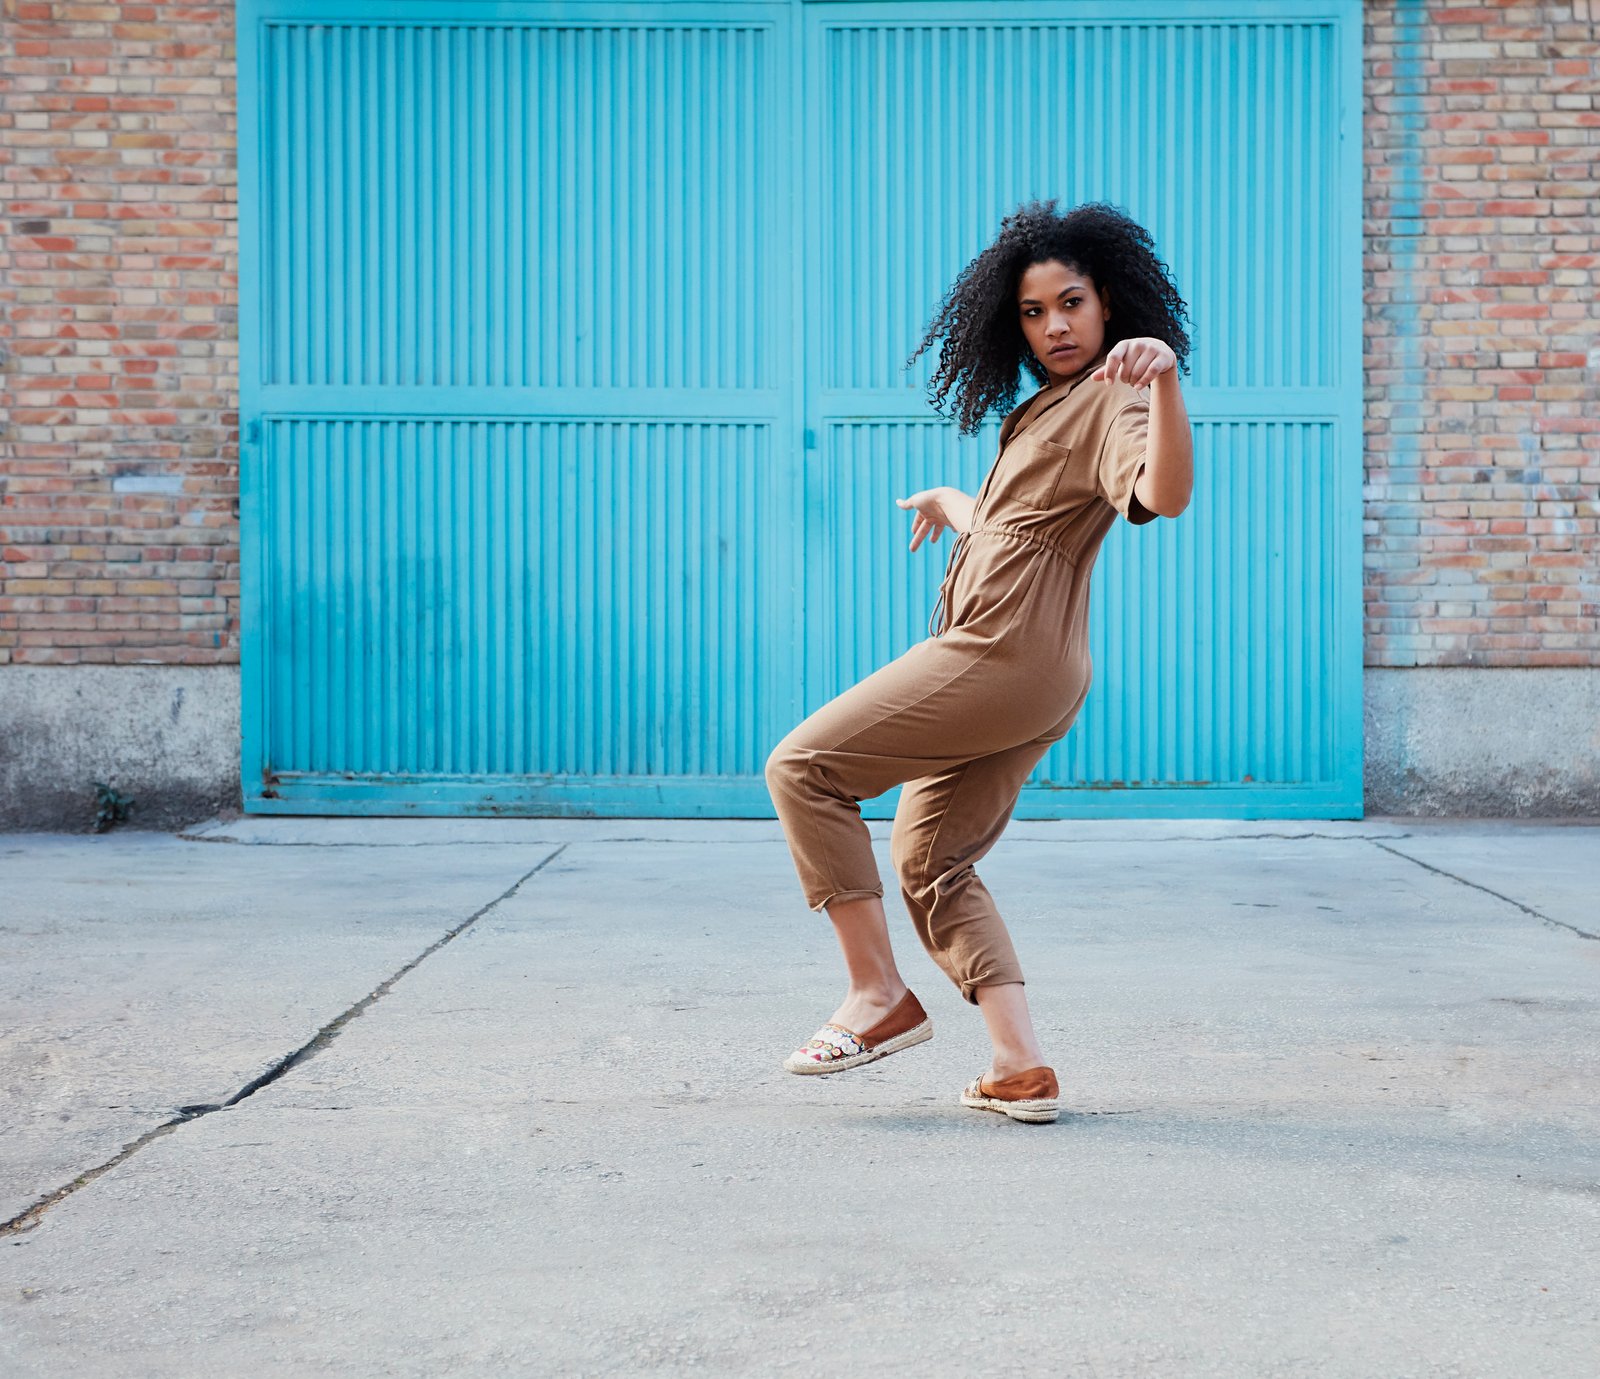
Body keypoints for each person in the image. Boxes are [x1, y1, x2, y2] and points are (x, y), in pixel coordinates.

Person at [764, 199, 1195, 1124]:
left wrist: (1163, 382)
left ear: (1111, 302)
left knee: (803, 767)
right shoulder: (1043, 409)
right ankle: (1018, 1066)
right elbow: (1023, 526)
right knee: (931, 859)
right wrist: (956, 502)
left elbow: (1163, 493)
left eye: (1071, 303)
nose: (1055, 327)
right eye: (1035, 314)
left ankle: (876, 994)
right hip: (1036, 666)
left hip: (1001, 652)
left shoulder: (1118, 395)